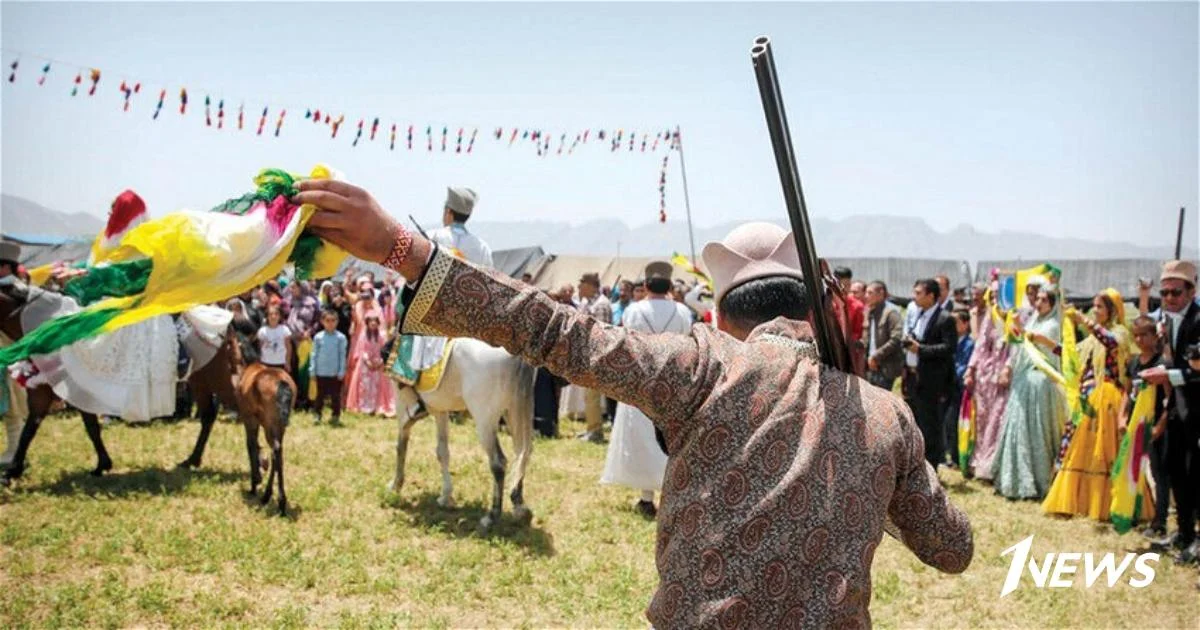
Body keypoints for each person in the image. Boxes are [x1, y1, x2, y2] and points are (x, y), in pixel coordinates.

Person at [293, 180, 973, 628]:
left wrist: (400, 248)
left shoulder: (701, 368)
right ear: (819, 308)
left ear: (720, 313)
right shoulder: (885, 416)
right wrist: (871, 476)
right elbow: (952, 549)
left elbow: (554, 331)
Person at [601, 262, 693, 519]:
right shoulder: (683, 312)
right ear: (669, 285)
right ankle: (670, 496)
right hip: (675, 383)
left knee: (643, 440)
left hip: (642, 383)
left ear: (647, 285)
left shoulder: (634, 310)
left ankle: (646, 498)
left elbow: (626, 340)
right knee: (674, 440)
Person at [394, 186, 494, 420]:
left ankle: (415, 398)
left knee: (401, 343)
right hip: (470, 320)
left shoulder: (435, 237)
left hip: (437, 316)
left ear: (448, 212)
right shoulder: (482, 246)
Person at [1043, 289, 1132, 521]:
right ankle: (1075, 501)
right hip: (1086, 399)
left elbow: (1111, 342)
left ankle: (1105, 503)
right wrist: (1041, 341)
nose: (1095, 310)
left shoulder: (1120, 333)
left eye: (1099, 307)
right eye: (1093, 306)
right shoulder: (1091, 340)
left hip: (1107, 400)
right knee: (1076, 448)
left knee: (1102, 451)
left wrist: (1083, 320)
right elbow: (1070, 355)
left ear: (1112, 310)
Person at [1138, 260, 1200, 564]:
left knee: (1195, 476)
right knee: (1177, 473)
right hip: (1177, 408)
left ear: (1192, 290)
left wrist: (1166, 375)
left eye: (1176, 292)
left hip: (1196, 411)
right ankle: (1184, 532)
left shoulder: (1199, 320)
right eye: (1164, 293)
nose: (1170, 298)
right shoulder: (1171, 320)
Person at [991, 287, 1067, 500]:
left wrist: (1017, 325)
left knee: (1037, 431)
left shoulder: (1052, 326)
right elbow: (1020, 341)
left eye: (1044, 300)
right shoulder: (1035, 319)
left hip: (1040, 382)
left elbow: (1034, 341)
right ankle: (1012, 480)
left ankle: (1037, 480)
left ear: (1052, 304)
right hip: (1023, 380)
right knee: (1018, 427)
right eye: (1038, 299)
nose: (1039, 303)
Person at [902, 279, 957, 468]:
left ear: (931, 296)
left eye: (918, 293)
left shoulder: (945, 318)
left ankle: (932, 467)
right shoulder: (919, 314)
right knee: (915, 423)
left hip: (931, 382)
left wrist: (921, 350)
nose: (914, 296)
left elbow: (949, 348)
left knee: (930, 426)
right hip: (913, 378)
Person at [1126, 315, 1170, 538]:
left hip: (1156, 428)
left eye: (1144, 334)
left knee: (1159, 474)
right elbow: (1127, 392)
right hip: (1136, 426)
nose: (1140, 339)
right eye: (1136, 335)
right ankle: (1133, 513)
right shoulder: (1133, 362)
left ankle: (1160, 521)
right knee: (1133, 471)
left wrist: (1160, 425)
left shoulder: (1162, 364)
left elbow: (1170, 399)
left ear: (1154, 336)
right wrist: (1122, 418)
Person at [963, 280, 1011, 481]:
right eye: (990, 297)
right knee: (982, 419)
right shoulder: (989, 318)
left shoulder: (1012, 318)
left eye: (996, 296)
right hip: (984, 376)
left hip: (1001, 377)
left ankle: (992, 466)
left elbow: (1016, 347)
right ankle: (979, 462)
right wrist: (970, 369)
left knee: (997, 420)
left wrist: (1008, 368)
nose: (993, 300)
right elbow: (980, 344)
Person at [575, 272, 612, 443]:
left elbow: (602, 335)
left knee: (593, 396)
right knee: (588, 396)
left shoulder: (601, 305)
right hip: (586, 353)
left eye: (581, 284)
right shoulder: (586, 303)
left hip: (595, 355)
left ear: (590, 285)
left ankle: (596, 432)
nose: (578, 288)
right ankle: (592, 428)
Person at [946, 308, 974, 468]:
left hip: (959, 388)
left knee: (956, 422)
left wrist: (950, 373)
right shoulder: (952, 340)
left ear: (965, 324)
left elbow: (964, 366)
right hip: (949, 386)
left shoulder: (969, 344)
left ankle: (957, 457)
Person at [863, 281, 903, 390]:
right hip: (871, 366)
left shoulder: (891, 313)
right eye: (866, 293)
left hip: (885, 367)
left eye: (869, 293)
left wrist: (876, 356)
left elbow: (896, 338)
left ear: (880, 294)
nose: (866, 296)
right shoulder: (870, 313)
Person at [311, 309, 349, 425]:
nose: (330, 323)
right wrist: (312, 370)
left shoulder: (341, 338)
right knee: (320, 396)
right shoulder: (318, 337)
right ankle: (317, 414)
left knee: (335, 396)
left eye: (333, 320)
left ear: (337, 322)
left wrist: (341, 371)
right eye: (327, 320)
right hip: (321, 372)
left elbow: (342, 355)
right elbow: (314, 354)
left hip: (334, 372)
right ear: (322, 321)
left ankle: (335, 415)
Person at [257, 306, 292, 370]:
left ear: (280, 316)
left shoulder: (285, 330)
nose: (273, 316)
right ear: (267, 317)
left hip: (281, 363)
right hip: (266, 363)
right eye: (270, 314)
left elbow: (288, 348)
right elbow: (260, 347)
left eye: (276, 314)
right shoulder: (262, 331)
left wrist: (288, 362)